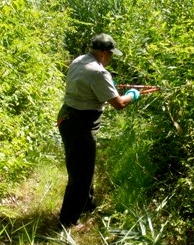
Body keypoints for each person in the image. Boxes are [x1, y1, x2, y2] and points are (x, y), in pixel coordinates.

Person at [57, 33, 142, 229]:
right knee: (80, 173)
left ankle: (87, 205)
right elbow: (119, 104)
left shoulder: (80, 60)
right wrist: (132, 95)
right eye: (111, 54)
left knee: (83, 166)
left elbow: (91, 86)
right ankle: (68, 220)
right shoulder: (99, 72)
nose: (111, 58)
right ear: (104, 53)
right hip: (80, 123)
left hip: (67, 117)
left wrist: (109, 87)